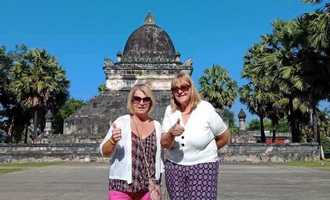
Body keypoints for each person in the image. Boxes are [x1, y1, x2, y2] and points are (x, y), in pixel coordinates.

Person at [161, 72, 230, 200]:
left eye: (184, 87)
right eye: (175, 89)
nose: (180, 91)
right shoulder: (170, 111)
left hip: (203, 167)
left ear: (191, 88)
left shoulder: (205, 108)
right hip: (174, 167)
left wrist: (206, 151)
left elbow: (224, 136)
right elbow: (164, 143)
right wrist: (171, 133)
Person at [99, 84, 162, 200]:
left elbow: (158, 159)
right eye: (137, 99)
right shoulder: (121, 122)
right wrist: (113, 140)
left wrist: (158, 182)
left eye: (146, 99)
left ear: (151, 102)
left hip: (147, 189)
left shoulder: (157, 126)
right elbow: (104, 152)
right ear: (132, 101)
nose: (141, 103)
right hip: (121, 187)